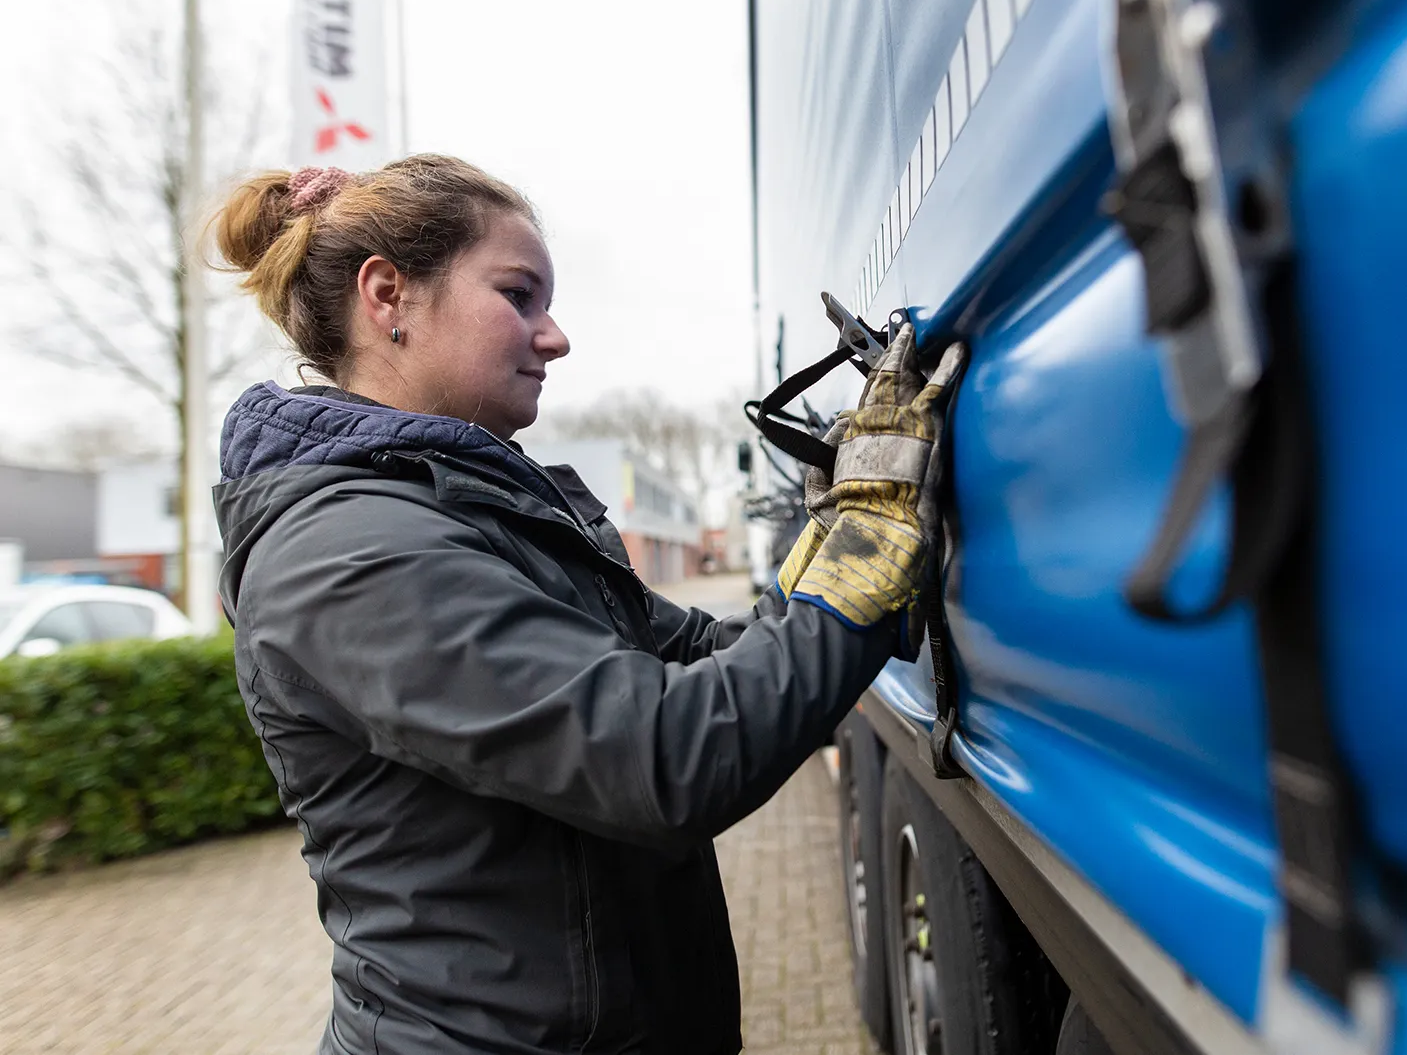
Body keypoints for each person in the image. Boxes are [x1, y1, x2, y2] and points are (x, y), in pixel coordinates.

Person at [209, 155, 959, 1055]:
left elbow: (703, 659)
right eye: (518, 294)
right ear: (387, 297)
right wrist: (865, 545)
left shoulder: (470, 505)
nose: (553, 335)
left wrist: (830, 537)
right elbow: (666, 757)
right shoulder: (344, 552)